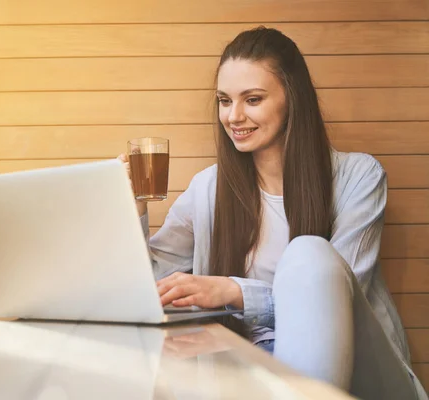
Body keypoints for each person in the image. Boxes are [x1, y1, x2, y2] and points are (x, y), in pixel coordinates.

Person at [118, 27, 427, 400]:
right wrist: (130, 204)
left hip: (361, 373)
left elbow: (334, 303)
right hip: (254, 374)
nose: (234, 116)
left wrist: (235, 291)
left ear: (292, 99)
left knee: (308, 252)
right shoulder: (209, 188)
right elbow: (149, 284)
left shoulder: (359, 177)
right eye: (224, 100)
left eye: (253, 99)